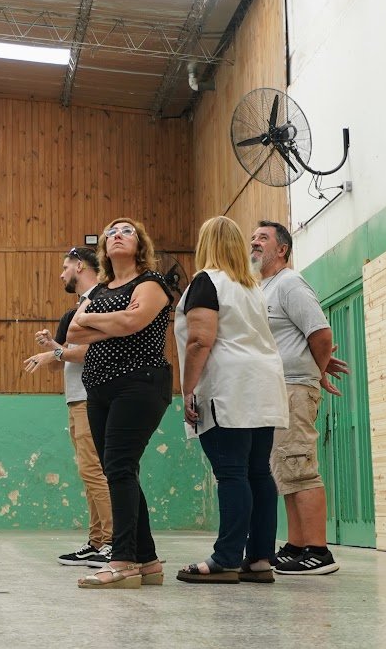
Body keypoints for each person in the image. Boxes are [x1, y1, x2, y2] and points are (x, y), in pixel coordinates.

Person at [175, 216, 288, 585]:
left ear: (205, 244)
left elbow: (199, 340)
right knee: (258, 473)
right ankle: (258, 558)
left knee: (232, 473)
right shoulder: (251, 285)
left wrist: (188, 388)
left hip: (228, 387)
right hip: (263, 385)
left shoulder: (207, 281)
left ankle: (225, 558)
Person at [66, 219, 175, 589]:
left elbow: (134, 321)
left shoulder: (151, 283)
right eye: (112, 232)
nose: (117, 235)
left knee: (119, 467)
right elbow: (73, 330)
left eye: (126, 231)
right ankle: (147, 561)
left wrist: (98, 321)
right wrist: (110, 320)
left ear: (140, 243)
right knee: (121, 469)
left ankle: (123, 559)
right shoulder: (99, 288)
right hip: (98, 388)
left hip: (140, 383)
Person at [252, 221, 347, 575]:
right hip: (275, 390)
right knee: (285, 469)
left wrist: (315, 372)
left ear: (282, 250)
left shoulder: (290, 283)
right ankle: (296, 545)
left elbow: (321, 334)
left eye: (263, 238)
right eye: (253, 239)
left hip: (294, 386)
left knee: (301, 466)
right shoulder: (262, 287)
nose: (254, 243)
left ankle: (319, 551)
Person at [24, 246, 112, 567]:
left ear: (79, 265)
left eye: (65, 267)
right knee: (88, 472)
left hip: (92, 398)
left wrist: (54, 353)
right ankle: (97, 540)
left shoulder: (101, 300)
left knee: (95, 471)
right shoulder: (74, 311)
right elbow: (60, 364)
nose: (61, 274)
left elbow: (88, 352)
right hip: (76, 398)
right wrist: (53, 349)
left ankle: (113, 541)